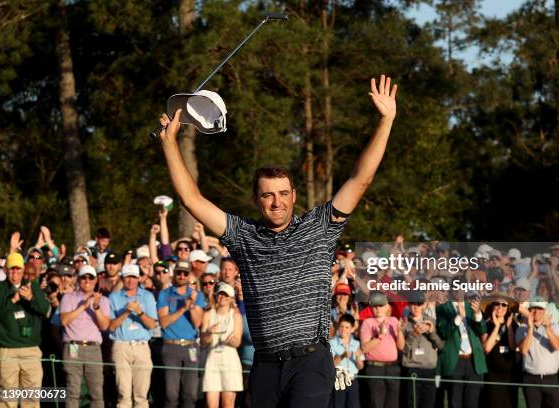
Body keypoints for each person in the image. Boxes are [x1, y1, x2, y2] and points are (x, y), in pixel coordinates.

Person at [158, 74, 397, 408]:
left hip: (310, 363)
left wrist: (386, 120)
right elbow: (192, 200)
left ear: (294, 195)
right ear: (257, 200)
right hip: (265, 366)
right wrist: (170, 144)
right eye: (268, 195)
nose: (277, 202)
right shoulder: (243, 236)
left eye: (284, 193)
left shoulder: (319, 226)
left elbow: (361, 178)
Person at [0, 253, 49, 408]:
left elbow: (45, 309)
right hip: (6, 350)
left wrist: (31, 298)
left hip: (30, 350)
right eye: (12, 270)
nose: (15, 273)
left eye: (18, 269)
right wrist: (13, 300)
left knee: (31, 398)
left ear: (24, 269)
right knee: (7, 399)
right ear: (5, 270)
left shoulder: (33, 286)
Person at [59, 265, 111, 408]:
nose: (87, 280)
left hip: (93, 349)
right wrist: (83, 306)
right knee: (72, 392)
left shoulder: (104, 301)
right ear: (78, 280)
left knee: (96, 393)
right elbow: (64, 321)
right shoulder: (68, 298)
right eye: (84, 277)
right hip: (72, 347)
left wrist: (96, 307)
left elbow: (104, 326)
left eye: (90, 277)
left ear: (95, 281)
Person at [108, 264, 158, 408]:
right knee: (123, 395)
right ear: (122, 278)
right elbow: (111, 326)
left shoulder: (147, 296)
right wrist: (127, 312)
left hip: (142, 346)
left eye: (134, 277)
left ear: (139, 278)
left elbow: (152, 325)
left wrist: (139, 312)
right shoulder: (114, 297)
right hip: (121, 346)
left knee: (141, 396)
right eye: (127, 277)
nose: (130, 280)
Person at [157, 260, 205, 408]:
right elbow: (163, 322)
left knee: (190, 395)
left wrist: (191, 306)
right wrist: (182, 309)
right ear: (175, 273)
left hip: (190, 346)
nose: (182, 276)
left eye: (185, 273)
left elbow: (197, 323)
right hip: (171, 347)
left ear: (189, 274)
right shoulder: (165, 294)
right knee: (171, 395)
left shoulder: (197, 295)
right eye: (179, 272)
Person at [436, 283, 488, 408]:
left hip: (473, 361)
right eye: (456, 287)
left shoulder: (472, 307)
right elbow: (444, 332)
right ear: (450, 290)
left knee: (472, 402)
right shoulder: (443, 309)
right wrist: (458, 317)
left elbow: (482, 331)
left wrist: (477, 315)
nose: (459, 290)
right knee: (455, 402)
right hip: (455, 360)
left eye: (462, 287)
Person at [201, 282, 243, 408]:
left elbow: (237, 342)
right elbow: (203, 340)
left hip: (229, 359)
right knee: (211, 405)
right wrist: (210, 332)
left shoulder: (236, 315)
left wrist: (231, 340)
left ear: (231, 298)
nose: (222, 298)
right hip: (212, 359)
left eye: (226, 295)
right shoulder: (208, 314)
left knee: (227, 404)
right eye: (220, 294)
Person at [515, 298, 559, 408]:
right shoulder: (522, 329)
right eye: (533, 309)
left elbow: (556, 346)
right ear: (529, 310)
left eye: (540, 309)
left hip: (551, 379)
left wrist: (547, 327)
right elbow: (524, 350)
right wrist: (531, 328)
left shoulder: (555, 326)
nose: (536, 312)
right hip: (531, 379)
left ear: (545, 311)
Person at [360, 291, 405, 408]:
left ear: (387, 307)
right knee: (376, 403)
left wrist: (399, 332)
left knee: (393, 404)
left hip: (393, 368)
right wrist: (379, 336)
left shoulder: (394, 321)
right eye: (375, 306)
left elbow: (401, 346)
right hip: (375, 368)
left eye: (381, 305)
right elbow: (364, 348)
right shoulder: (367, 323)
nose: (378, 309)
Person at [400, 295, 443, 408]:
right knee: (413, 403)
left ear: (424, 305)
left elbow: (441, 346)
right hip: (412, 368)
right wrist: (414, 334)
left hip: (429, 369)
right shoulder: (404, 323)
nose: (416, 307)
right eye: (413, 304)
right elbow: (402, 348)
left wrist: (431, 332)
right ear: (409, 305)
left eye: (419, 304)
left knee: (429, 403)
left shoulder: (432, 321)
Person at [481, 293, 519, 408]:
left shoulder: (512, 324)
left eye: (503, 305)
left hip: (510, 374)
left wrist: (509, 328)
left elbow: (513, 347)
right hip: (492, 374)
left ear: (507, 309)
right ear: (492, 306)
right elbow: (486, 348)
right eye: (496, 304)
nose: (500, 307)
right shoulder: (486, 324)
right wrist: (497, 327)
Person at [330, 314, 364, 408]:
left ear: (352, 329)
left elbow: (361, 366)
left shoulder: (356, 343)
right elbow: (331, 364)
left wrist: (357, 358)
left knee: (354, 405)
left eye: (347, 327)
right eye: (341, 326)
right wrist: (342, 356)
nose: (343, 329)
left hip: (353, 380)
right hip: (339, 380)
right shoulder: (332, 343)